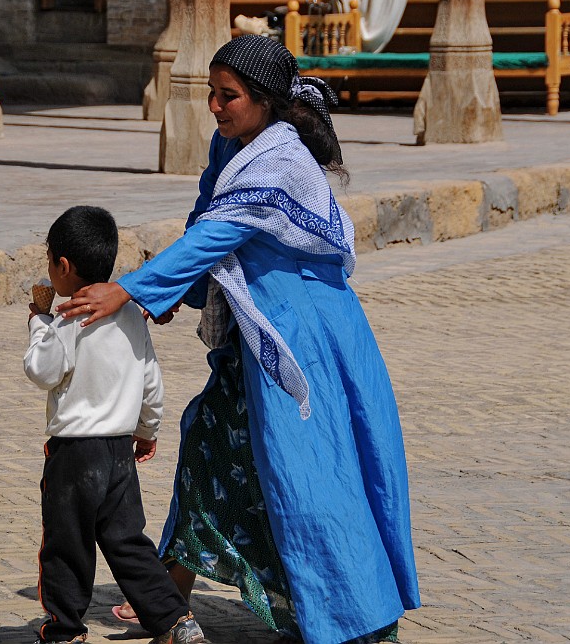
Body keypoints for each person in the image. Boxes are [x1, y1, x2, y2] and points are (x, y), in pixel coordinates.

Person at [56, 36, 421, 644]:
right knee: (210, 448)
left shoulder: (279, 160)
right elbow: (205, 221)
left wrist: (130, 291)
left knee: (310, 472)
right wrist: (171, 294)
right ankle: (171, 599)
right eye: (212, 93)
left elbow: (214, 238)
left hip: (301, 338)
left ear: (265, 100)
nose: (215, 106)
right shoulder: (234, 144)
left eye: (228, 96)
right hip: (253, 335)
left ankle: (353, 612)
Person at [23, 206, 210, 644]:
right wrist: (147, 430)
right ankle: (175, 623)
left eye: (49, 260)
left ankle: (64, 630)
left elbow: (41, 371)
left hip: (75, 454)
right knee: (128, 543)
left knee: (66, 546)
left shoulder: (68, 317)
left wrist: (38, 322)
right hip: (118, 452)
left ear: (63, 267)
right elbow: (151, 380)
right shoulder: (129, 314)